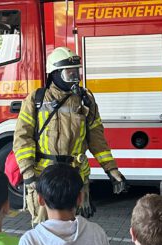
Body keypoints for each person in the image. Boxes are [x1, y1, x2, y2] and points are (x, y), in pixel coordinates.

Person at [13, 46, 128, 224]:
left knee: (76, 230)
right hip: (44, 178)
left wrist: (111, 169)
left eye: (77, 72)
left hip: (76, 177)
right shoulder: (37, 99)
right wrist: (28, 173)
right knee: (44, 230)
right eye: (70, 73)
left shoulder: (85, 99)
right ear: (55, 73)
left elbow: (97, 138)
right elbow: (22, 138)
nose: (75, 78)